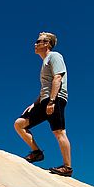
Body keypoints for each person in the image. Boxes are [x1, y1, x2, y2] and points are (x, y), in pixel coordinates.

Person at [14, 32, 73, 177]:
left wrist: (52, 101)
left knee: (59, 132)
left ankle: (67, 167)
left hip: (56, 98)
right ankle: (37, 152)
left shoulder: (55, 56)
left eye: (38, 41)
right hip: (45, 100)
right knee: (20, 124)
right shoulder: (45, 61)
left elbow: (58, 78)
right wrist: (35, 104)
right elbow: (45, 87)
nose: (35, 44)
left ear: (47, 44)